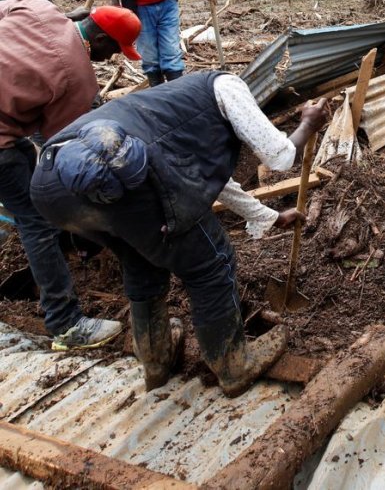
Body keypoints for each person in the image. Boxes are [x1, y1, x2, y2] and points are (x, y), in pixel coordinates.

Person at [30, 72, 331, 397]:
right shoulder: (229, 89)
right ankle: (234, 366)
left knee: (141, 261)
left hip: (51, 187)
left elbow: (205, 180)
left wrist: (266, 215)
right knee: (211, 264)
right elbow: (280, 156)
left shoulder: (173, 106)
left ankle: (156, 361)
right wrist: (307, 125)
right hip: (126, 185)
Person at [0, 0, 142, 349]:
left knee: (24, 180)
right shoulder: (76, 76)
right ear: (100, 40)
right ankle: (66, 323)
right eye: (111, 52)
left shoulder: (38, 9)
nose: (108, 60)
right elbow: (66, 152)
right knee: (37, 222)